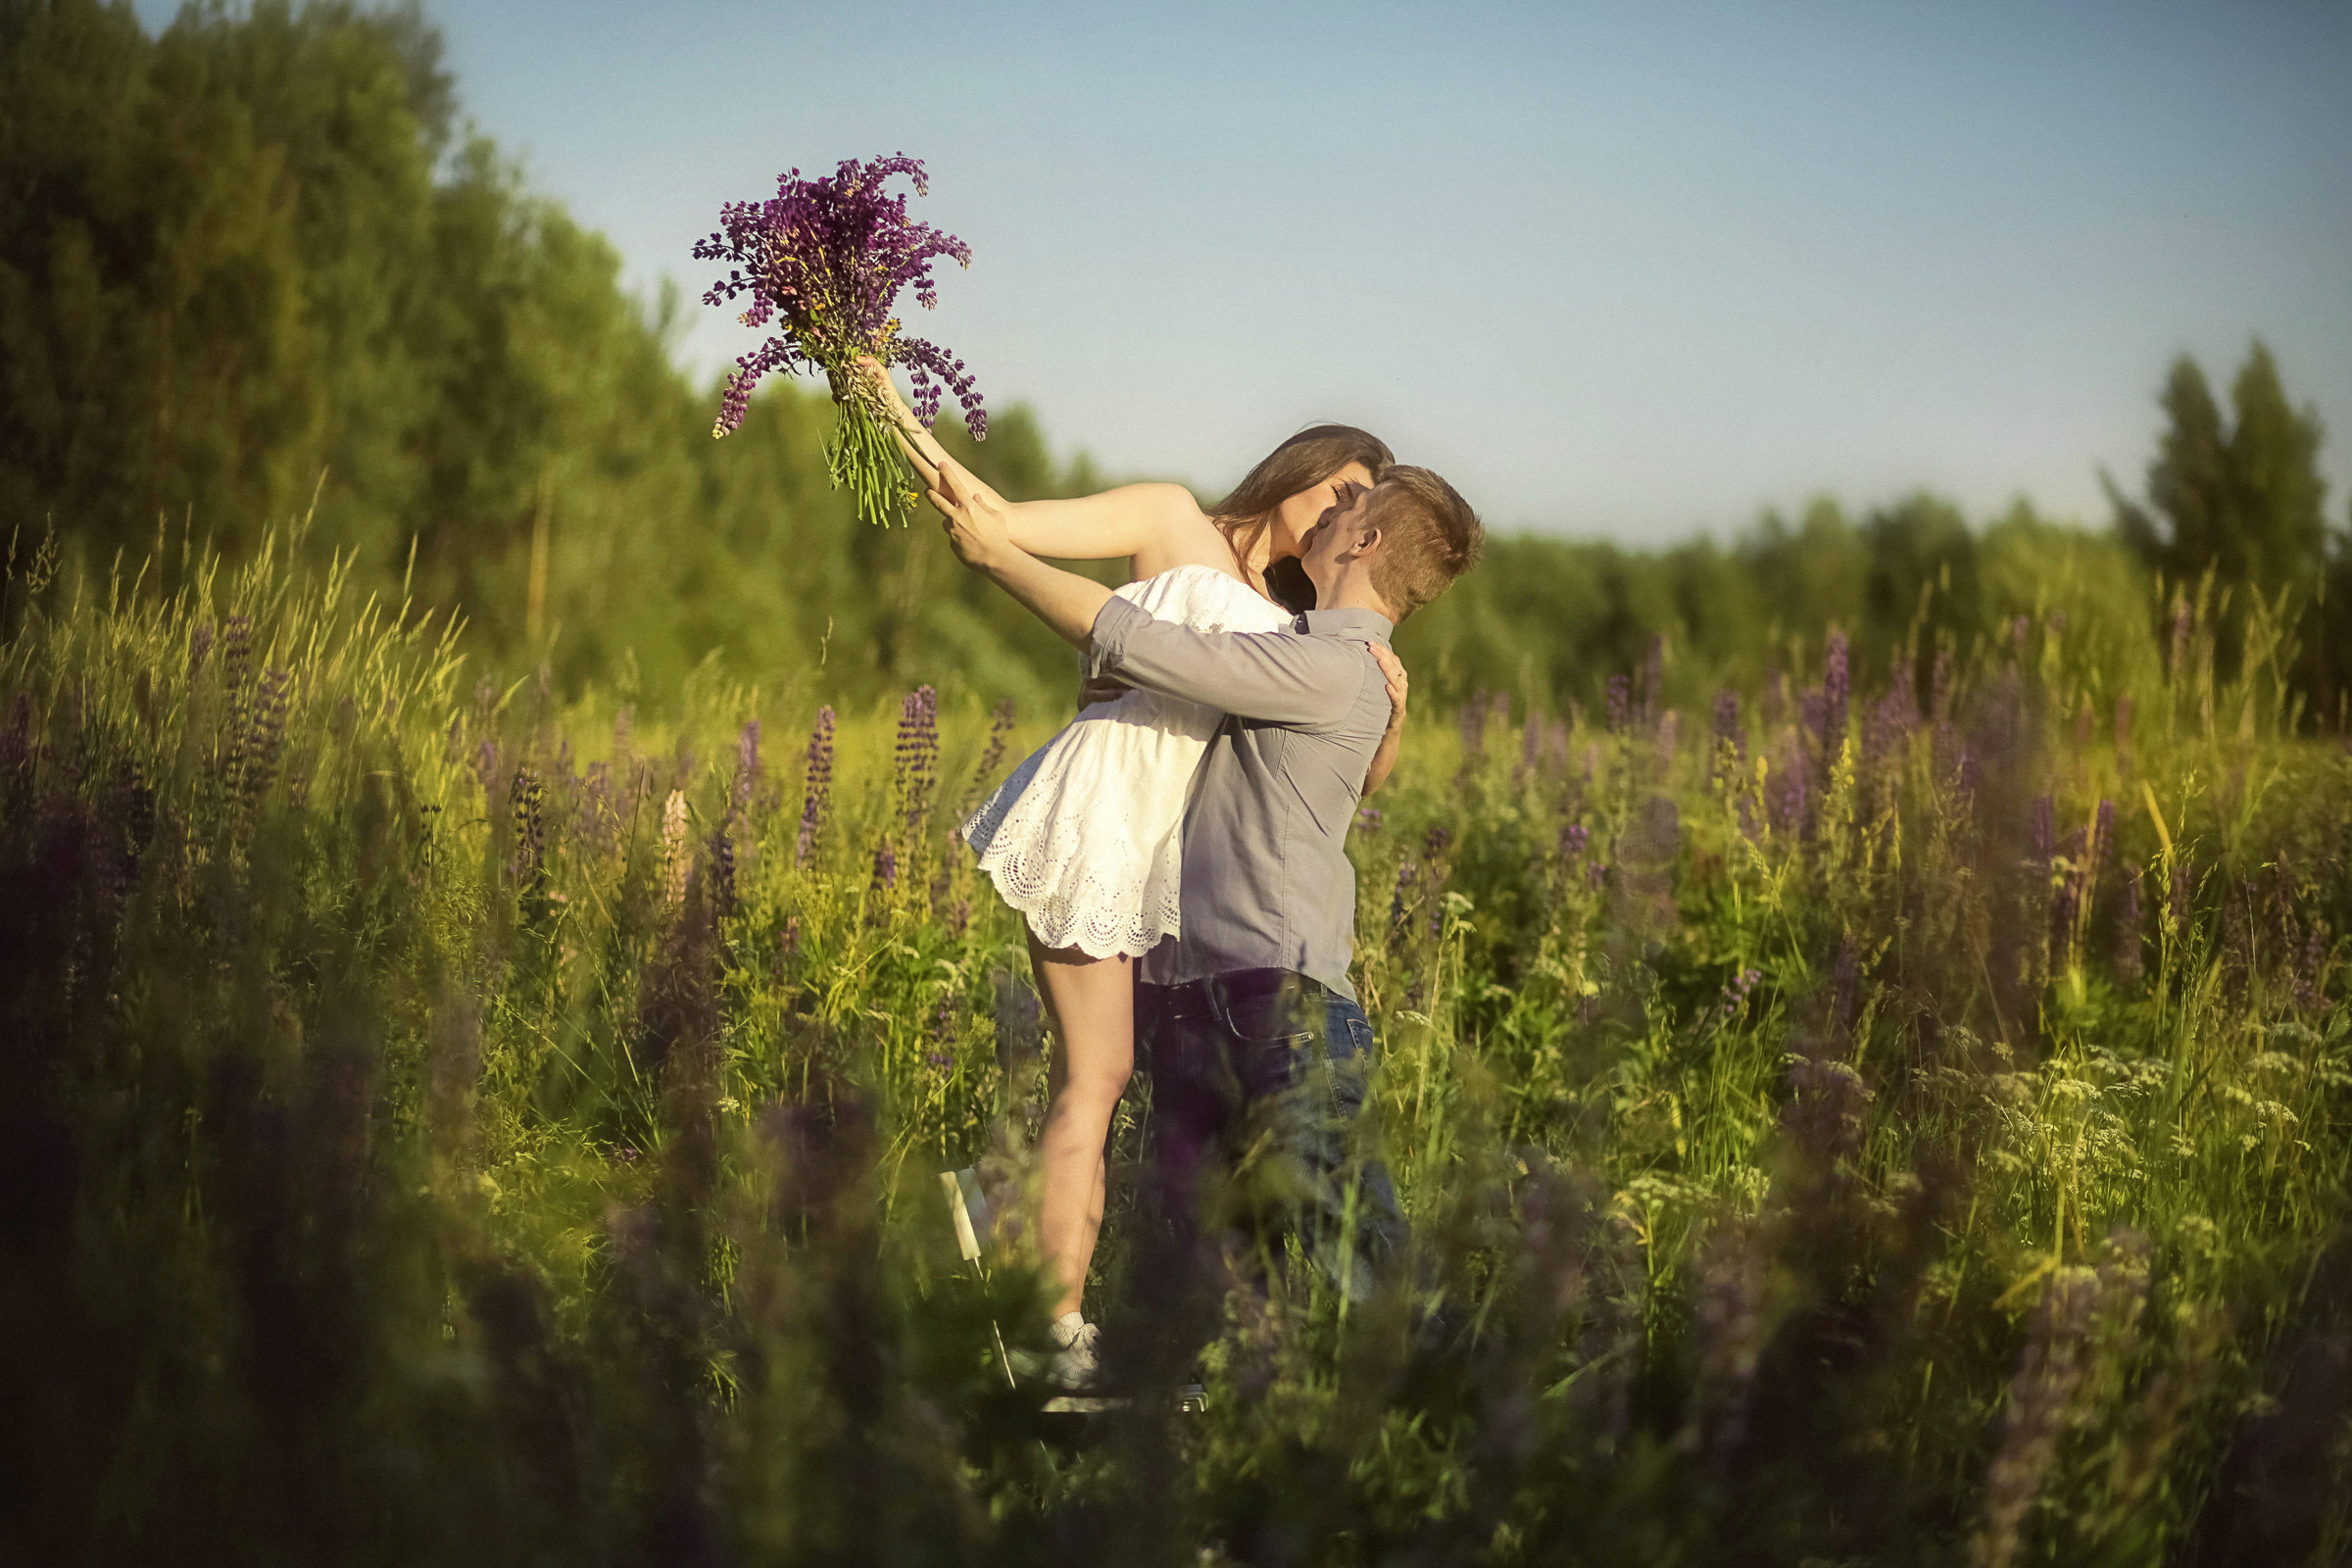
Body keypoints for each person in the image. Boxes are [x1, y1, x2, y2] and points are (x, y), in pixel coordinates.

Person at [854, 362, 1412, 1383]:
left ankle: (1010, 1210)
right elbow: (999, 518)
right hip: (1109, 804)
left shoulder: (1300, 630)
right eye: (1339, 487)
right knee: (1099, 1075)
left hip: (1178, 857)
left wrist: (1393, 706)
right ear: (1302, 464)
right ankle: (1048, 1331)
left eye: (1362, 510)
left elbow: (1343, 779)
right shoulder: (1170, 517)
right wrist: (886, 394)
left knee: (1132, 1091)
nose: (1344, 515)